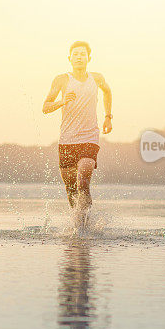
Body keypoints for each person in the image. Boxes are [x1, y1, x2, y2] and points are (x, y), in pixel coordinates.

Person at [42, 41, 112, 215]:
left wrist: (108, 117)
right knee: (71, 190)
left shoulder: (97, 78)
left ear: (89, 58)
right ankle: (77, 224)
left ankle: (86, 224)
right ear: (69, 58)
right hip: (67, 140)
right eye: (75, 54)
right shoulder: (61, 79)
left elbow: (107, 92)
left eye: (82, 54)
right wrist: (62, 101)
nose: (79, 57)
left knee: (83, 181)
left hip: (89, 138)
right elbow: (45, 107)